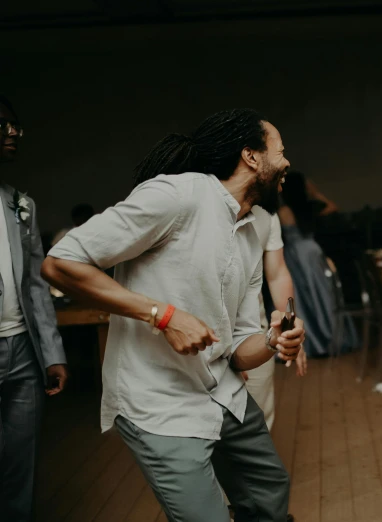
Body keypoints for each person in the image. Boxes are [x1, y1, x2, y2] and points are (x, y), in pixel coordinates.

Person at [44, 109, 305, 522]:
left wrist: (273, 340)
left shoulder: (255, 226)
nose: (288, 162)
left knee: (269, 497)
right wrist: (162, 315)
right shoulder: (177, 195)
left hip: (224, 393)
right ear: (252, 156)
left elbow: (237, 350)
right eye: (281, 150)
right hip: (158, 402)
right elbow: (61, 263)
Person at [0, 94, 68, 521]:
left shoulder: (19, 204)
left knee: (20, 461)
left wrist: (52, 352)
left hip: (23, 350)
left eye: (14, 126)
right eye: (1, 125)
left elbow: (36, 284)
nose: (12, 134)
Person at [278, 171, 357, 357]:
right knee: (319, 294)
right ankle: (327, 338)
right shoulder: (302, 208)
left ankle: (318, 340)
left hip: (297, 254)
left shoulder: (287, 209)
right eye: (308, 184)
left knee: (308, 296)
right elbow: (332, 206)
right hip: (307, 253)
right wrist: (315, 194)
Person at [247, 205, 307, 431]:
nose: (287, 166)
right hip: (203, 341)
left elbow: (277, 274)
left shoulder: (267, 214)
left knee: (258, 426)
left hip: (257, 334)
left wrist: (290, 330)